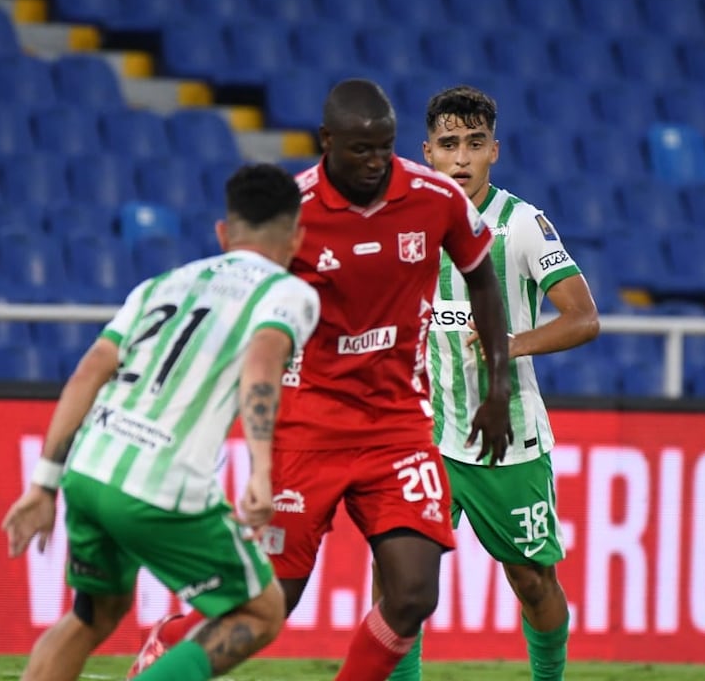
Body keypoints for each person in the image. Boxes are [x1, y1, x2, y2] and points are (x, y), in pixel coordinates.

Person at [132, 78, 514, 681]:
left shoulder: (435, 197)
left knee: (415, 595)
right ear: (326, 141)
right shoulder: (291, 211)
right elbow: (243, 306)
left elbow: (483, 280)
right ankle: (174, 642)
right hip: (306, 426)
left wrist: (500, 388)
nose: (375, 163)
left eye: (385, 148)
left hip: (397, 426)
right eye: (361, 149)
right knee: (270, 605)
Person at [1, 162, 321, 681]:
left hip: (88, 471)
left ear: (223, 233)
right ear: (297, 236)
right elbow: (263, 365)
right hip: (160, 489)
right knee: (261, 612)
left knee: (92, 614)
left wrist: (43, 486)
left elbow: (89, 371)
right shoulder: (289, 294)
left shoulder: (162, 284)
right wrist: (262, 471)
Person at [382, 85, 601, 681]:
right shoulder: (402, 221)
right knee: (402, 582)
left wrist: (512, 343)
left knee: (532, 580)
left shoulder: (521, 225)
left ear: (494, 151)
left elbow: (584, 318)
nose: (461, 159)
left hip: (507, 439)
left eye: (474, 144)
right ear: (427, 152)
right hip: (421, 433)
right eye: (448, 145)